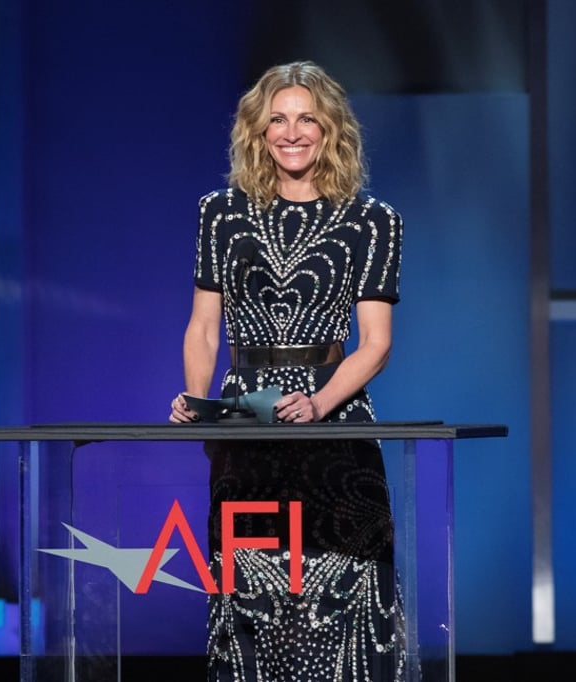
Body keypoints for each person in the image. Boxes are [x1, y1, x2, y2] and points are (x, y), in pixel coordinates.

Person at [169, 61, 406, 682]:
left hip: (336, 417)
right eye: (278, 118)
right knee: (252, 589)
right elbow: (202, 327)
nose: (292, 132)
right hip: (246, 416)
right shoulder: (220, 212)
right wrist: (199, 403)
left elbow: (375, 344)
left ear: (331, 131)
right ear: (257, 129)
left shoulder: (371, 220)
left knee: (342, 591)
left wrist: (321, 402)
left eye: (307, 119)